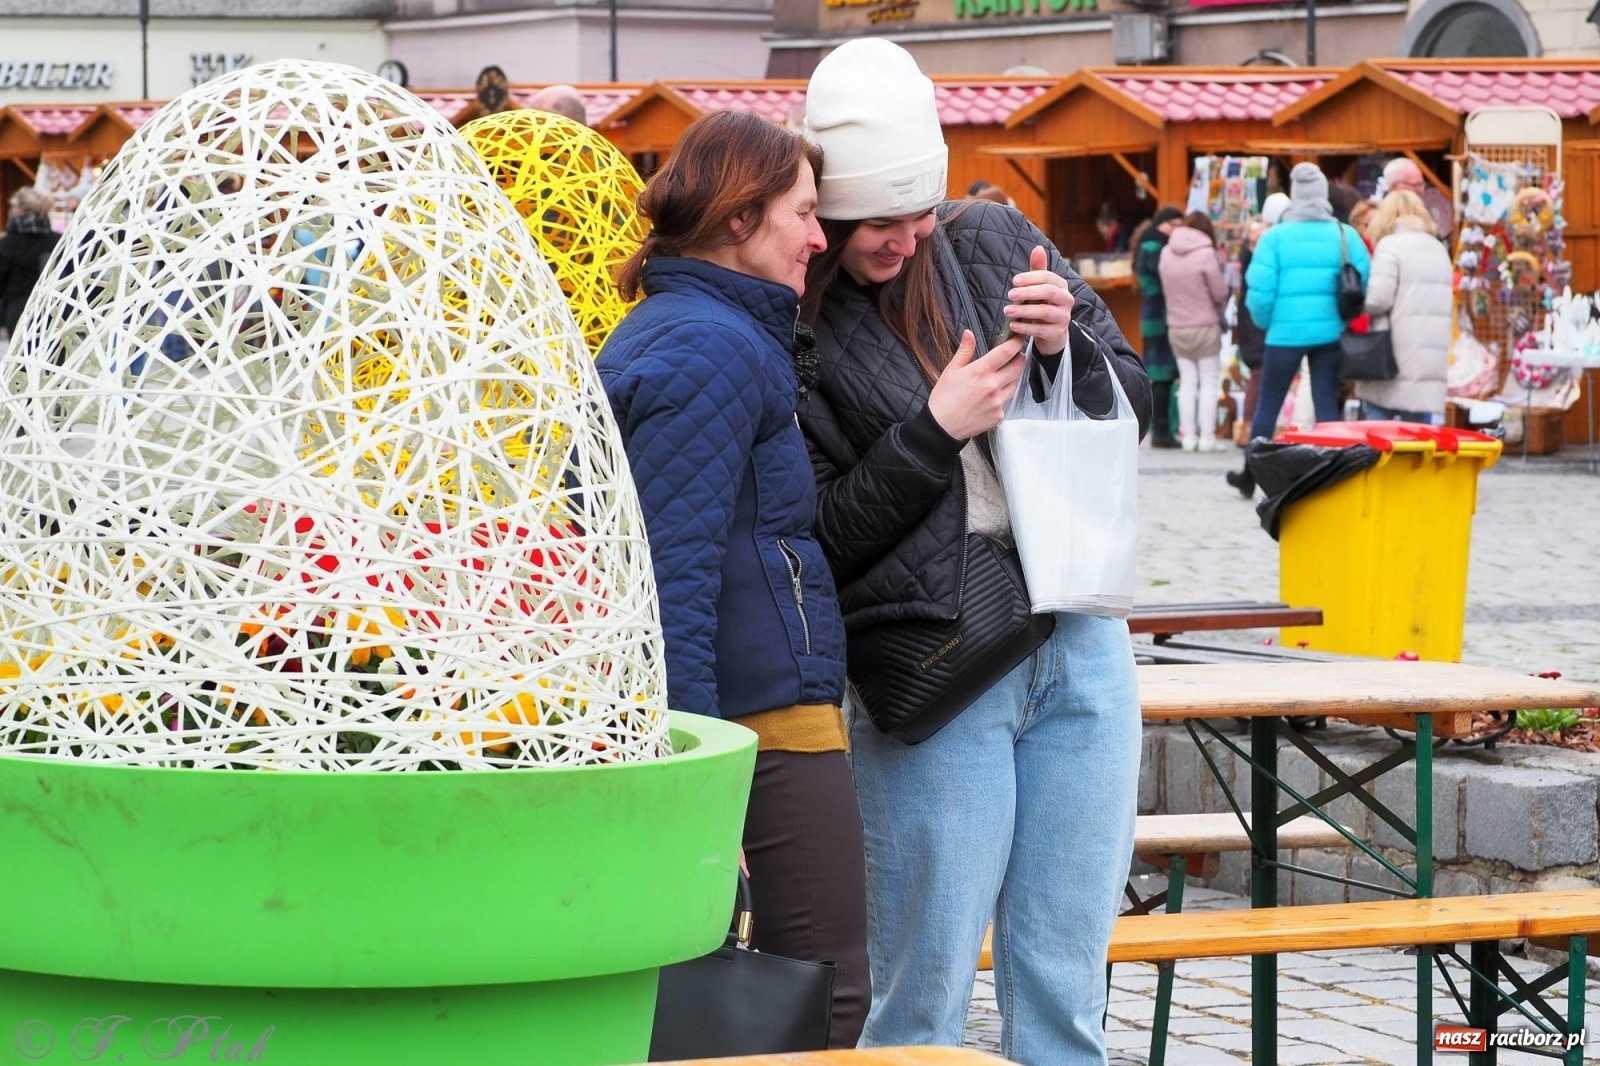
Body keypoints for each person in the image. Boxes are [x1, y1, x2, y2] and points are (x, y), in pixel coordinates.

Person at [799, 38, 1151, 1066]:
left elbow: (1134, 403)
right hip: (932, 664)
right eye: (877, 221)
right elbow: (825, 533)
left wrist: (1066, 350)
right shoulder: (801, 324)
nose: (905, 239)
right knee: (922, 998)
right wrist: (932, 429)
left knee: (1065, 986)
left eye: (918, 212)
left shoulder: (991, 235)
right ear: (821, 211)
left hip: (1077, 633)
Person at [594, 110, 869, 1049]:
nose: (820, 236)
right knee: (817, 998)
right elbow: (673, 579)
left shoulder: (705, 331)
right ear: (741, 217)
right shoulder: (706, 348)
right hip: (754, 732)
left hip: (753, 722)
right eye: (803, 211)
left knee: (782, 1002)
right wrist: (703, 786)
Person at [1226, 163, 1369, 497]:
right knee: (1325, 402)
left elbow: (1258, 292)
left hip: (1283, 334)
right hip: (1330, 333)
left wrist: (1267, 324)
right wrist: (1342, 320)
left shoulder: (1274, 237)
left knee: (1269, 403)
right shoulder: (1344, 235)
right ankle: (1334, 471)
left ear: (1294, 195)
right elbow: (1363, 281)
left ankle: (1251, 473)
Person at [1353, 190, 1452, 423]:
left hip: (1392, 351)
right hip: (1429, 352)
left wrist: (1356, 301)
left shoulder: (1390, 246)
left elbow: (1378, 300)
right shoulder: (1438, 248)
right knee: (1418, 430)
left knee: (1379, 425)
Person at [1159, 210, 1228, 451]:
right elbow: (1220, 292)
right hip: (1205, 325)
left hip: (1177, 326)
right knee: (1209, 382)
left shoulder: (1166, 252)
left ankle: (1188, 437)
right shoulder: (1207, 253)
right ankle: (1206, 438)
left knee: (1187, 383)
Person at [1230, 192, 1288, 448]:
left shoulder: (1254, 242)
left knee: (1261, 375)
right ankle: (1249, 429)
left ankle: (1252, 430)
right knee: (1260, 374)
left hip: (1253, 314)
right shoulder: (1266, 242)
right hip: (1259, 316)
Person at [1132, 205, 1185, 449]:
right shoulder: (1156, 247)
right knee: (1162, 375)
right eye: (1173, 224)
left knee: (1159, 374)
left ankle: (1161, 430)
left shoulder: (1150, 243)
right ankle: (1162, 432)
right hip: (1160, 313)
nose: (1176, 230)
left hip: (1153, 313)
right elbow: (1159, 283)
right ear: (1163, 223)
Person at [0, 187, 62, 340]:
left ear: (21, 210)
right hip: (53, 310)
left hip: (17, 310)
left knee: (22, 360)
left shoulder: (7, 244)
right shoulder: (58, 241)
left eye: (13, 207)